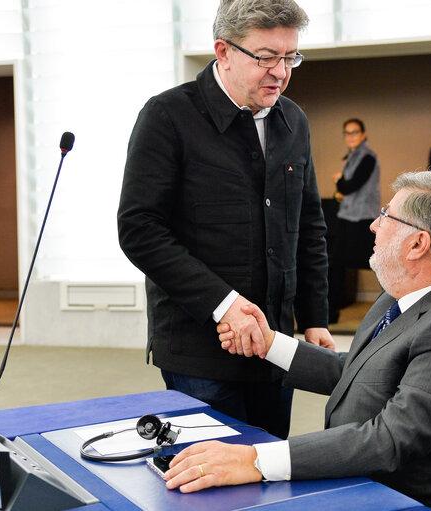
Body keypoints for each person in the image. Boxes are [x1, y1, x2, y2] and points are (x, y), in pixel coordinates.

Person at [162, 171, 431, 508]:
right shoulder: (406, 292)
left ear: (418, 243)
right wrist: (270, 343)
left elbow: (390, 440)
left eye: (386, 215)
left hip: (408, 497)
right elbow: (362, 371)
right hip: (364, 479)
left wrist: (255, 459)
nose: (373, 225)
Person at [117, 0, 333, 440]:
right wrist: (224, 304)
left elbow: (308, 225)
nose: (281, 71)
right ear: (223, 52)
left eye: (290, 56)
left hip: (275, 343)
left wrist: (314, 316)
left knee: (270, 471)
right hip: (200, 350)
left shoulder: (294, 120)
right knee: (212, 486)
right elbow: (140, 229)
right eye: (266, 57)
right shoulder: (167, 117)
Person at [328, 118, 380, 323]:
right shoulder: (352, 157)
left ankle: (393, 311)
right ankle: (331, 314)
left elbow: (351, 186)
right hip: (348, 217)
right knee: (336, 265)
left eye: (355, 132)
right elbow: (348, 190)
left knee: (377, 264)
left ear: (364, 134)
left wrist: (339, 181)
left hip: (361, 220)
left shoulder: (367, 157)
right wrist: (341, 189)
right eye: (347, 133)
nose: (350, 136)